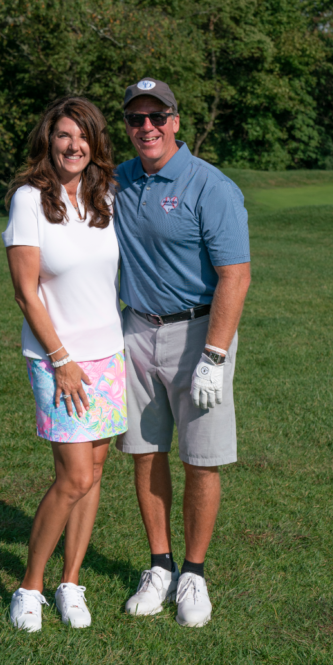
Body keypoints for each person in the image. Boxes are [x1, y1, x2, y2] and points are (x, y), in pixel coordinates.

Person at [113, 77, 251, 628]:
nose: (146, 127)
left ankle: (193, 572)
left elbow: (235, 276)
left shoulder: (209, 185)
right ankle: (160, 565)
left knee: (202, 457)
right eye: (135, 119)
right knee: (145, 450)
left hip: (199, 334)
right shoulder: (118, 180)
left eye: (156, 116)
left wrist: (214, 356)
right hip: (136, 330)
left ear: (175, 121)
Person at [3, 97, 126, 633]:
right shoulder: (30, 199)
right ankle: (29, 587)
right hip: (59, 360)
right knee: (73, 475)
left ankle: (70, 582)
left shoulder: (106, 197)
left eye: (83, 137)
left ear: (95, 144)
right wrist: (62, 361)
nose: (73, 146)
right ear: (48, 140)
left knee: (96, 471)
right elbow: (25, 293)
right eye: (63, 136)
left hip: (109, 353)